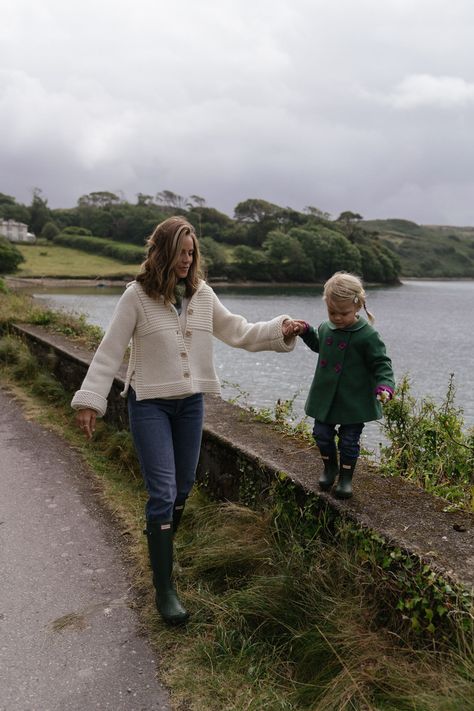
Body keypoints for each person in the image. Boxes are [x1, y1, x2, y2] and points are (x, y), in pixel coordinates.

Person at [72, 216, 296, 625]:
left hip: (190, 404)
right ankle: (165, 588)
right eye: (180, 253)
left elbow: (239, 331)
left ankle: (160, 549)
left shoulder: (202, 294)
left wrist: (280, 329)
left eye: (192, 253)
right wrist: (90, 400)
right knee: (162, 492)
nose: (187, 261)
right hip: (151, 403)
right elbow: (109, 351)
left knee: (183, 488)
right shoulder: (136, 296)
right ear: (162, 252)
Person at [289, 271, 394, 499]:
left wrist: (385, 386)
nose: (336, 317)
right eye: (331, 312)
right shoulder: (327, 328)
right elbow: (320, 345)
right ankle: (330, 468)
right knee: (321, 434)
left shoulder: (367, 335)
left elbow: (382, 364)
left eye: (343, 313)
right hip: (326, 396)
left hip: (353, 400)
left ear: (358, 306)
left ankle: (346, 479)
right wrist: (306, 331)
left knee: (348, 441)